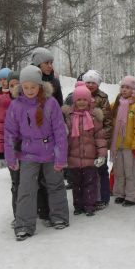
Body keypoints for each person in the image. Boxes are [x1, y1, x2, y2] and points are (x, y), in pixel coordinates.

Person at [5, 65, 70, 240]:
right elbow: (10, 133)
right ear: (21, 87)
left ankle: (59, 217)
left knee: (55, 185)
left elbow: (59, 131)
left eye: (33, 87)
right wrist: (10, 156)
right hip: (27, 154)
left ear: (40, 86)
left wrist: (61, 156)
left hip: (51, 151)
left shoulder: (51, 103)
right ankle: (24, 224)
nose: (30, 90)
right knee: (26, 188)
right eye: (26, 87)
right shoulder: (16, 105)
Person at [62, 81, 107, 216]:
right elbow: (64, 139)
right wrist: (62, 156)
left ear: (89, 101)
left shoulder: (94, 117)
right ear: (74, 101)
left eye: (84, 100)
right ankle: (78, 206)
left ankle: (90, 205)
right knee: (76, 185)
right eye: (78, 100)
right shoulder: (68, 117)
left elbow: (100, 137)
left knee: (90, 183)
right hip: (73, 159)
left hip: (90, 159)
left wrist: (101, 155)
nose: (81, 102)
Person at [30, 47, 63, 221]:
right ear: (37, 64)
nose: (50, 66)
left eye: (51, 62)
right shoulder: (29, 81)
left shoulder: (55, 82)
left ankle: (53, 211)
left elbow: (59, 105)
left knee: (51, 176)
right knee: (36, 177)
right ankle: (42, 209)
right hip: (32, 136)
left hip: (51, 135)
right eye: (47, 63)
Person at [109, 75, 135, 206]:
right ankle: (119, 193)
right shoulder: (115, 105)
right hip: (117, 145)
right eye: (122, 87)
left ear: (134, 90)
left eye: (128, 87)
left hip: (130, 146)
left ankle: (131, 196)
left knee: (130, 172)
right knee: (118, 172)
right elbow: (110, 124)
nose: (124, 90)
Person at [81, 70, 113, 209]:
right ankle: (90, 195)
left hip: (99, 139)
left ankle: (104, 196)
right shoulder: (80, 96)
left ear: (98, 84)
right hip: (85, 139)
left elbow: (108, 120)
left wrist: (104, 138)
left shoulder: (102, 97)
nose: (90, 85)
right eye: (88, 82)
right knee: (88, 169)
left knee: (101, 168)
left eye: (93, 82)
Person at [0, 67, 19, 222]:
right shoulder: (3, 102)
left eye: (18, 85)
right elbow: (0, 128)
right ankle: (19, 215)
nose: (14, 88)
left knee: (32, 183)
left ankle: (34, 210)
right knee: (16, 183)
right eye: (11, 85)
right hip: (11, 151)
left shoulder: (31, 101)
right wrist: (0, 153)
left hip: (31, 151)